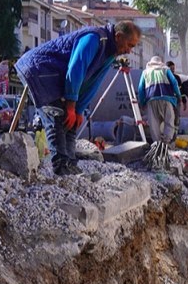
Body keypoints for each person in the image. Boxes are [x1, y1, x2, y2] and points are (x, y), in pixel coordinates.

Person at [15, 20, 142, 176]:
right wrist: (70, 106)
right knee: (57, 116)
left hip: (55, 74)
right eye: (129, 45)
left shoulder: (109, 53)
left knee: (71, 123)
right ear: (118, 36)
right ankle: (61, 167)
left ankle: (70, 164)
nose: (129, 51)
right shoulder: (94, 38)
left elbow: (92, 83)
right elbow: (76, 70)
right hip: (39, 69)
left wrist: (78, 110)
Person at [138, 56, 183, 169]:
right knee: (169, 120)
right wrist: (178, 96)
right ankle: (166, 143)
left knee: (153, 123)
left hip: (151, 100)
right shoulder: (165, 70)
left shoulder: (145, 72)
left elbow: (140, 89)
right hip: (166, 99)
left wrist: (142, 102)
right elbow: (174, 83)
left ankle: (156, 145)